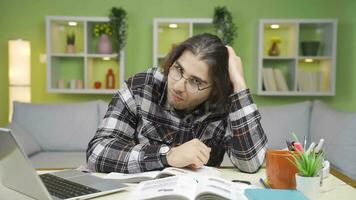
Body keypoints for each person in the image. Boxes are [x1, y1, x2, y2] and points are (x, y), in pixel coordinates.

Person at [86, 33, 268, 174]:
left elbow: (250, 163)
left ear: (215, 89)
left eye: (196, 81)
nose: (179, 86)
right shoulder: (142, 86)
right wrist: (168, 155)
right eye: (179, 69)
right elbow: (97, 153)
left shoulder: (225, 101)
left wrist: (239, 85)